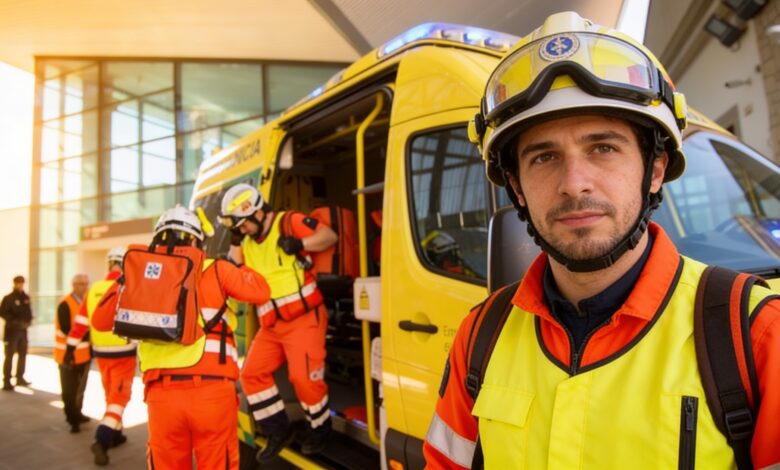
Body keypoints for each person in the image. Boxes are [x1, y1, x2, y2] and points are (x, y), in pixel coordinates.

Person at [424, 11, 780, 469]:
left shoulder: (755, 335)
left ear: (653, 170)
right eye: (544, 157)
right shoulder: (480, 336)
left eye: (603, 148)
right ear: (516, 188)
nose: (574, 183)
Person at [90, 206, 272, 469]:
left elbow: (100, 320)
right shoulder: (216, 269)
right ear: (197, 239)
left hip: (162, 397)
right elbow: (261, 291)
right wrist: (236, 263)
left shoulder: (139, 274)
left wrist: (127, 277)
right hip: (212, 393)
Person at [220, 183, 338, 461]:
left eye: (242, 225)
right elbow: (232, 270)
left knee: (303, 378)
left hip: (305, 318)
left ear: (257, 213)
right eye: (237, 228)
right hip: (272, 326)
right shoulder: (247, 243)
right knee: (250, 374)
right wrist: (236, 240)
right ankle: (279, 430)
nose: (243, 231)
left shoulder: (288, 221)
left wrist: (301, 244)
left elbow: (329, 236)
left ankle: (321, 429)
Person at [66, 247, 136, 466]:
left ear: (108, 265)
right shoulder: (130, 287)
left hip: (102, 355)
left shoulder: (94, 288)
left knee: (111, 395)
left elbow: (80, 324)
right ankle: (102, 439)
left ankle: (117, 434)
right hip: (124, 354)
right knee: (119, 398)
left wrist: (70, 348)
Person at [55, 273, 92, 433]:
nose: (84, 287)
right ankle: (72, 420)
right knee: (69, 392)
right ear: (74, 285)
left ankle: (78, 413)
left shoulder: (88, 303)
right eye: (81, 284)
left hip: (84, 356)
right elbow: (65, 329)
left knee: (80, 389)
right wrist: (88, 334)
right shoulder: (65, 303)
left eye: (86, 283)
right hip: (67, 357)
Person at [1, 275, 33, 391]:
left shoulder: (25, 297)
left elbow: (29, 312)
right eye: (18, 283)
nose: (20, 285)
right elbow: (3, 313)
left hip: (23, 331)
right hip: (12, 331)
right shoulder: (8, 298)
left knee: (23, 354)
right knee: (9, 355)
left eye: (22, 283)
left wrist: (28, 321)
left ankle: (20, 377)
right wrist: (15, 322)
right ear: (14, 283)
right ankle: (7, 381)